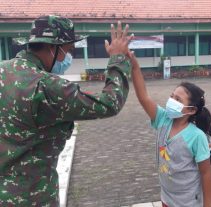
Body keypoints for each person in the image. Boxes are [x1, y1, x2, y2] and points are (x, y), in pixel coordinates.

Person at [0, 15, 133, 206]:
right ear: (53, 47)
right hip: (32, 198)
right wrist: (118, 59)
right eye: (68, 50)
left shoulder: (3, 71)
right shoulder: (48, 87)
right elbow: (109, 103)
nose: (68, 57)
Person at [129, 52, 211, 207]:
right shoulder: (162, 119)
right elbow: (143, 97)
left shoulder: (197, 136)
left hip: (188, 202)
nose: (171, 101)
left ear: (191, 110)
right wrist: (135, 66)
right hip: (167, 198)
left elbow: (206, 173)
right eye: (172, 96)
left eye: (178, 100)